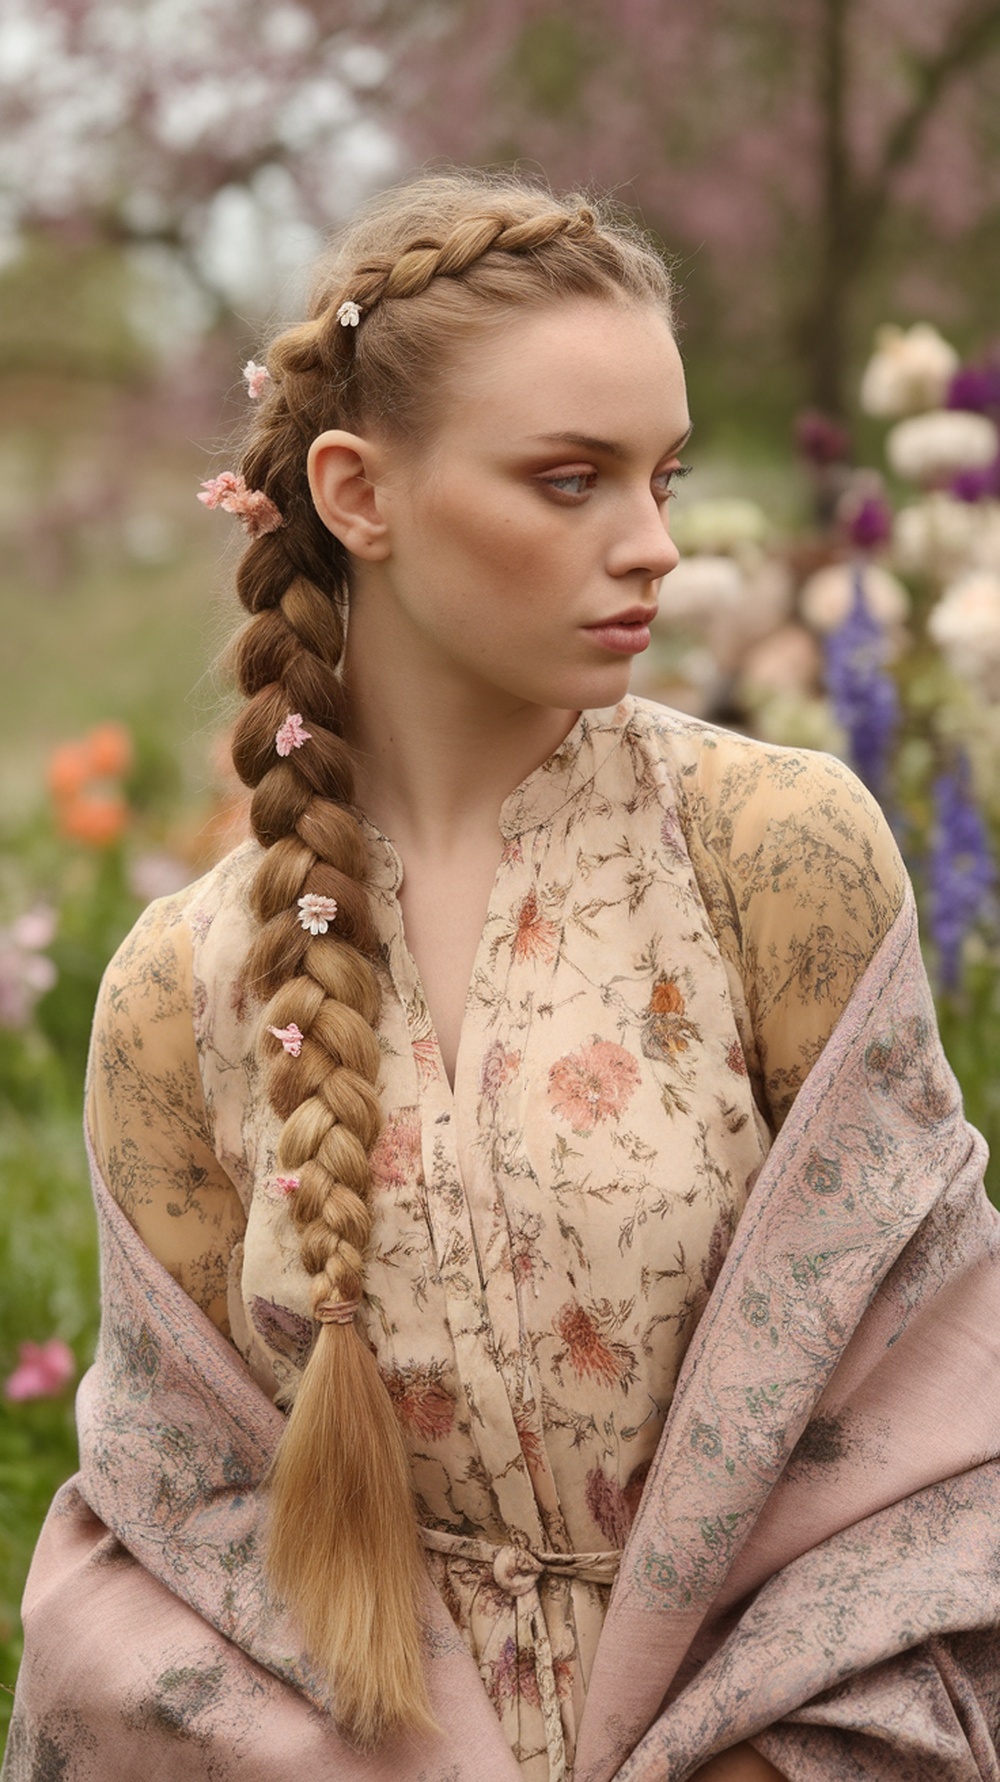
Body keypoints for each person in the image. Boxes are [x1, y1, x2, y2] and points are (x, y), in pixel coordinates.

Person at [5, 170, 1000, 1782]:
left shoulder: (774, 853)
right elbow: (164, 1533)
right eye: (570, 480)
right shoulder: (175, 991)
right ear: (357, 491)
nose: (656, 546)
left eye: (664, 476)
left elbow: (934, 1427)